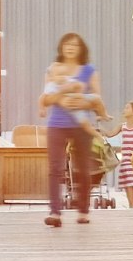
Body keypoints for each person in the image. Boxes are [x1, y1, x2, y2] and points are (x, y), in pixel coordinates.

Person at [38, 32, 105, 226]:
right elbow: (47, 99)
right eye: (67, 44)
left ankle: (83, 210)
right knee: (55, 168)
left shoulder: (89, 70)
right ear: (61, 47)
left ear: (81, 48)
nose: (70, 48)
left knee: (84, 168)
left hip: (81, 125)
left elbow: (96, 100)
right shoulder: (54, 70)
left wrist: (80, 104)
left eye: (75, 45)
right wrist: (61, 93)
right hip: (56, 124)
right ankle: (55, 212)